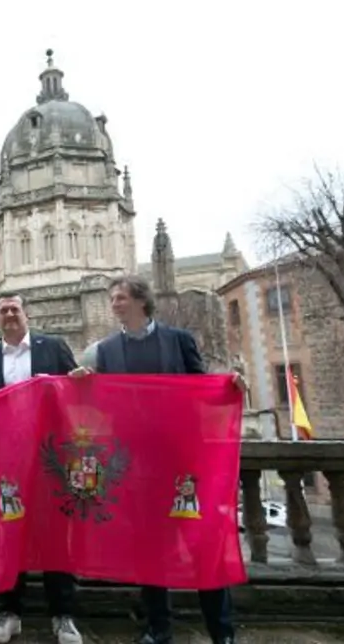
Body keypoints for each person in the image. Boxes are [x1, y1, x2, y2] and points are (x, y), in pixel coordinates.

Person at [69, 275, 246, 644]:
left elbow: (202, 389)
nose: (114, 303)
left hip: (183, 463)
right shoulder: (105, 351)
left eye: (120, 297)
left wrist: (228, 386)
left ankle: (221, 631)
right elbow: (95, 406)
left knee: (202, 544)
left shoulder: (178, 341)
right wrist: (81, 383)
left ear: (140, 301)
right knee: (149, 548)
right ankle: (157, 628)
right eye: (112, 298)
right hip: (136, 466)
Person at [0, 293, 82, 644]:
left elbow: (77, 397)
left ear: (26, 313)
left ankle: (63, 615)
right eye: (3, 310)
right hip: (6, 461)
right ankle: (10, 612)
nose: (9, 315)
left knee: (55, 537)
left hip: (51, 460)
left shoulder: (55, 347)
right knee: (9, 535)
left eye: (14, 309)